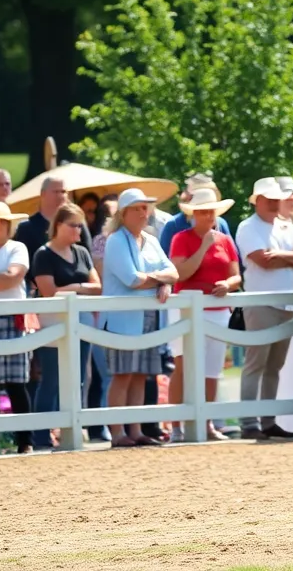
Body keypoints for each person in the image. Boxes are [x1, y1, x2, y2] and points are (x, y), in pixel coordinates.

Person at [99, 188, 179, 448]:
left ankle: (135, 430)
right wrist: (160, 281)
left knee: (141, 374)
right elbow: (132, 279)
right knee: (122, 375)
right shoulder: (116, 240)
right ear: (124, 213)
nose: (145, 213)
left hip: (148, 316)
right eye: (138, 208)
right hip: (123, 318)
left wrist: (161, 282)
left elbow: (173, 271)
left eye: (146, 207)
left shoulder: (151, 240)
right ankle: (118, 432)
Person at [235, 177, 293, 440]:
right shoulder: (248, 227)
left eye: (276, 199)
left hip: (285, 302)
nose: (274, 203)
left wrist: (278, 256)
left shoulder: (286, 226)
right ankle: (248, 421)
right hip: (261, 302)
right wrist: (292, 259)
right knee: (257, 363)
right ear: (257, 201)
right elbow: (261, 261)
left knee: (273, 365)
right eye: (269, 199)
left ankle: (267, 420)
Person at [167, 188, 241, 441]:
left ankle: (207, 423)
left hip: (218, 310)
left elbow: (236, 274)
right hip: (187, 310)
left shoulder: (225, 241)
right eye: (203, 212)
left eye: (211, 211)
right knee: (183, 368)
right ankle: (176, 425)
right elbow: (181, 274)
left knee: (212, 371)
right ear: (193, 214)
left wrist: (228, 285)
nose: (209, 216)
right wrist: (203, 247)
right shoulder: (181, 238)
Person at [30, 202, 102, 449]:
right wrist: (78, 290)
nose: (79, 232)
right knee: (51, 379)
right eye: (74, 226)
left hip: (81, 323)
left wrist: (73, 288)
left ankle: (71, 430)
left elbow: (97, 286)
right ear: (59, 225)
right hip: (53, 324)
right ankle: (40, 435)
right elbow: (48, 292)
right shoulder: (43, 255)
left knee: (80, 377)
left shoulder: (81, 252)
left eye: (80, 226)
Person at [0, 201, 33, 454]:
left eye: (1, 221)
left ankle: (24, 441)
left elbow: (13, 277)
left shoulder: (17, 247)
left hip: (12, 318)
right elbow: (5, 278)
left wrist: (3, 280)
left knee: (18, 383)